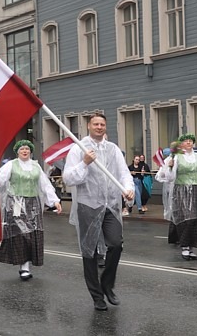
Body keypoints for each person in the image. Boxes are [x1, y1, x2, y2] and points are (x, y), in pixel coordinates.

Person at [62, 113, 134, 311]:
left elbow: (123, 174)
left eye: (102, 124)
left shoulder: (113, 149)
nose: (99, 127)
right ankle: (97, 296)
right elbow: (68, 179)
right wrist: (84, 162)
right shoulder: (79, 148)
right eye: (96, 124)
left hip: (110, 205)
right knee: (90, 252)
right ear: (89, 126)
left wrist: (128, 190)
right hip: (88, 205)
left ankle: (107, 284)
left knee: (116, 244)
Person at [0, 140, 62, 280]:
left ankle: (27, 264)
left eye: (27, 149)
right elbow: (0, 180)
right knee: (20, 234)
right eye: (22, 149)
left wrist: (55, 201)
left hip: (33, 203)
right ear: (17, 152)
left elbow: (45, 184)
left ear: (30, 151)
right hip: (15, 203)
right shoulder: (11, 165)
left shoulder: (35, 165)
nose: (25, 151)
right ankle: (23, 265)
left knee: (32, 233)